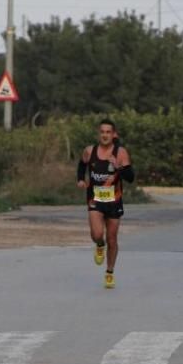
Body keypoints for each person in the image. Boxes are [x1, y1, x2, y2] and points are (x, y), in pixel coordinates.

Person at [77, 118, 134, 289]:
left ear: (113, 134)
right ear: (99, 134)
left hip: (114, 200)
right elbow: (82, 164)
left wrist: (120, 167)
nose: (105, 135)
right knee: (96, 234)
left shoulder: (121, 153)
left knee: (112, 238)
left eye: (108, 132)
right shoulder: (90, 150)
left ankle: (109, 273)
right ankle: (99, 245)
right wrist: (80, 179)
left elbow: (130, 177)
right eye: (102, 132)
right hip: (95, 199)